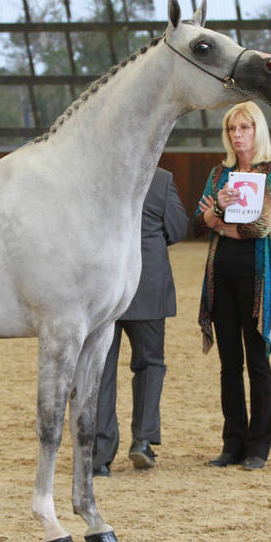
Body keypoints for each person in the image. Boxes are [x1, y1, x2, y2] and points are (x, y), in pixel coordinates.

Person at [194, 101, 271, 471]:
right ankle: (232, 443)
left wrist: (220, 223)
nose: (238, 134)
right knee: (229, 363)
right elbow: (201, 217)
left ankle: (258, 447)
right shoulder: (220, 172)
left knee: (257, 360)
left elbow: (262, 225)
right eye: (233, 129)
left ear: (256, 130)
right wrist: (216, 213)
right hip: (222, 275)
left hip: (254, 275)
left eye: (244, 127)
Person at [92, 167, 189, 477]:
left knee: (101, 371)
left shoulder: (98, 176)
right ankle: (143, 441)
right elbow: (176, 229)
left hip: (103, 288)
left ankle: (99, 455)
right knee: (150, 364)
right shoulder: (160, 179)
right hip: (148, 286)